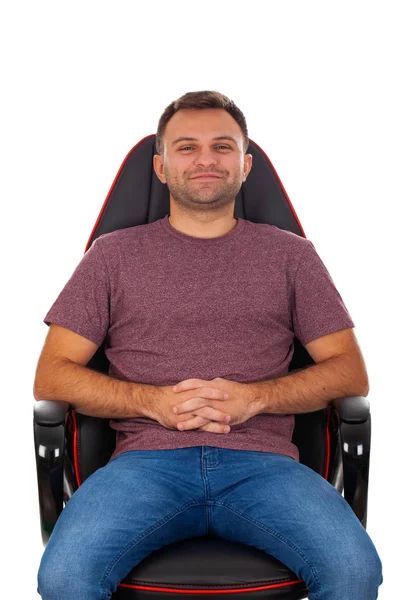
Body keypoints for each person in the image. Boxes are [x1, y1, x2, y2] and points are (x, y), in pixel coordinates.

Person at [34, 90, 383, 599]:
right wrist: (154, 402)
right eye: (186, 147)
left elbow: (350, 373)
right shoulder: (112, 257)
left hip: (263, 464)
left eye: (222, 147)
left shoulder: (292, 257)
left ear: (245, 166)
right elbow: (53, 375)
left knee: (354, 572)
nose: (205, 160)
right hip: (145, 465)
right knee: (64, 578)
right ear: (159, 167)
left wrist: (254, 398)